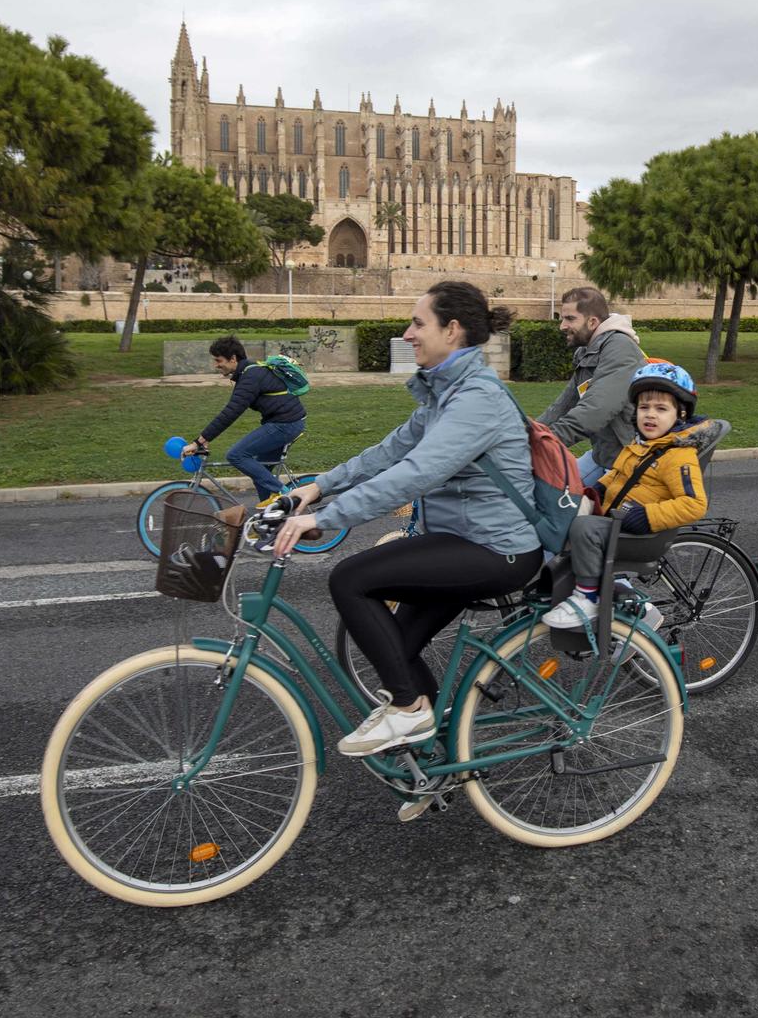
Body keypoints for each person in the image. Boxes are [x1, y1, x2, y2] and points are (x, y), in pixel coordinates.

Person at [271, 283, 542, 758]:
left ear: (451, 330)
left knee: (351, 579)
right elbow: (390, 451)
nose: (407, 333)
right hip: (463, 540)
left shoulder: (476, 398)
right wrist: (318, 486)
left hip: (498, 548)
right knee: (398, 646)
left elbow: (416, 472)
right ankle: (435, 757)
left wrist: (328, 518)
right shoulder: (445, 393)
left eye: (418, 323)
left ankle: (409, 709)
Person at [543, 360, 723, 632]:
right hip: (617, 518)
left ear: (681, 414)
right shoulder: (641, 445)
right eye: (644, 407)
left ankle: (587, 597)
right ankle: (568, 583)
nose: (650, 415)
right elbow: (617, 475)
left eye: (661, 409)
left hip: (640, 532)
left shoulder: (677, 456)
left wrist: (646, 516)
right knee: (561, 509)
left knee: (584, 527)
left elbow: (694, 504)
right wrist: (597, 490)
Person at [537, 286, 647, 485]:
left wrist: (545, 442)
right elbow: (563, 406)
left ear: (592, 321)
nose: (562, 326)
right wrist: (530, 432)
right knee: (550, 489)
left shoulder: (620, 348)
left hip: (630, 460)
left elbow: (596, 409)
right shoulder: (588, 351)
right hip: (605, 454)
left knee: (573, 507)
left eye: (570, 319)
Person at [180, 336, 307, 504]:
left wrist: (199, 441)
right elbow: (231, 410)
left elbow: (231, 412)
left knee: (236, 455)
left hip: (285, 424)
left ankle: (284, 494)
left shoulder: (251, 376)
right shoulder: (249, 372)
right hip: (285, 422)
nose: (216, 365)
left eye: (218, 360)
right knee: (260, 470)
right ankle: (270, 520)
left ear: (233, 359)